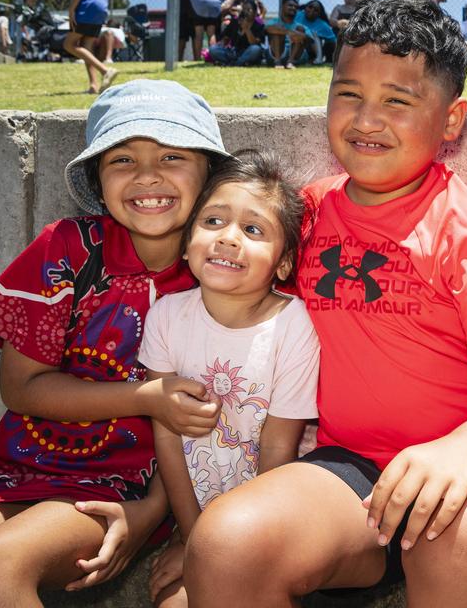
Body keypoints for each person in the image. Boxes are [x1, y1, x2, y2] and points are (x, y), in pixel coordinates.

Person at [183, 0, 467, 607]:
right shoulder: (308, 213)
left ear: (452, 121)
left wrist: (461, 452)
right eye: (348, 94)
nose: (365, 119)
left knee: (456, 543)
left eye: (397, 102)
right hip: (349, 468)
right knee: (227, 545)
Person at [0, 80, 231, 603]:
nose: (148, 176)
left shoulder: (223, 270)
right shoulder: (66, 250)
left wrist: (148, 513)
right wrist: (142, 397)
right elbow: (23, 388)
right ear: (98, 182)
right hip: (24, 470)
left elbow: (225, 415)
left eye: (172, 156)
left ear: (209, 173)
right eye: (121, 159)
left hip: (137, 488)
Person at [140, 150, 320, 608]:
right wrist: (194, 537)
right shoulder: (165, 317)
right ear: (186, 242)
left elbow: (280, 448)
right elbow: (168, 439)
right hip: (194, 515)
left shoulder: (294, 325)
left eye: (253, 229)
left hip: (270, 520)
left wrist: (227, 551)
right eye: (214, 221)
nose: (228, 239)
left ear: (283, 263)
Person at [208, 0, 267, 67]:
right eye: (244, 10)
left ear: (254, 13)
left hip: (248, 52)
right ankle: (239, 63)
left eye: (249, 10)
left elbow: (254, 43)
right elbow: (226, 38)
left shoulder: (259, 25)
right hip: (234, 52)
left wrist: (247, 29)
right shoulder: (235, 22)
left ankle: (234, 64)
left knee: (256, 49)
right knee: (213, 49)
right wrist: (221, 44)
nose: (246, 12)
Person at [265, 0, 308, 69]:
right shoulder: (273, 21)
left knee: (300, 30)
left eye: (295, 7)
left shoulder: (300, 25)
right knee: (277, 28)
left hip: (297, 54)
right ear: (282, 7)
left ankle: (290, 62)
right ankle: (277, 61)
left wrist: (298, 35)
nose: (293, 8)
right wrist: (288, 32)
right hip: (277, 53)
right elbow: (267, 29)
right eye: (290, 5)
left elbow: (309, 38)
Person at [298, 0, 338, 64]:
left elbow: (334, 42)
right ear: (305, 7)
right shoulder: (297, 15)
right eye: (310, 7)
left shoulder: (323, 25)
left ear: (319, 14)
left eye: (316, 10)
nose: (312, 10)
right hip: (291, 44)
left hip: (309, 51)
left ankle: (318, 59)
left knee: (312, 35)